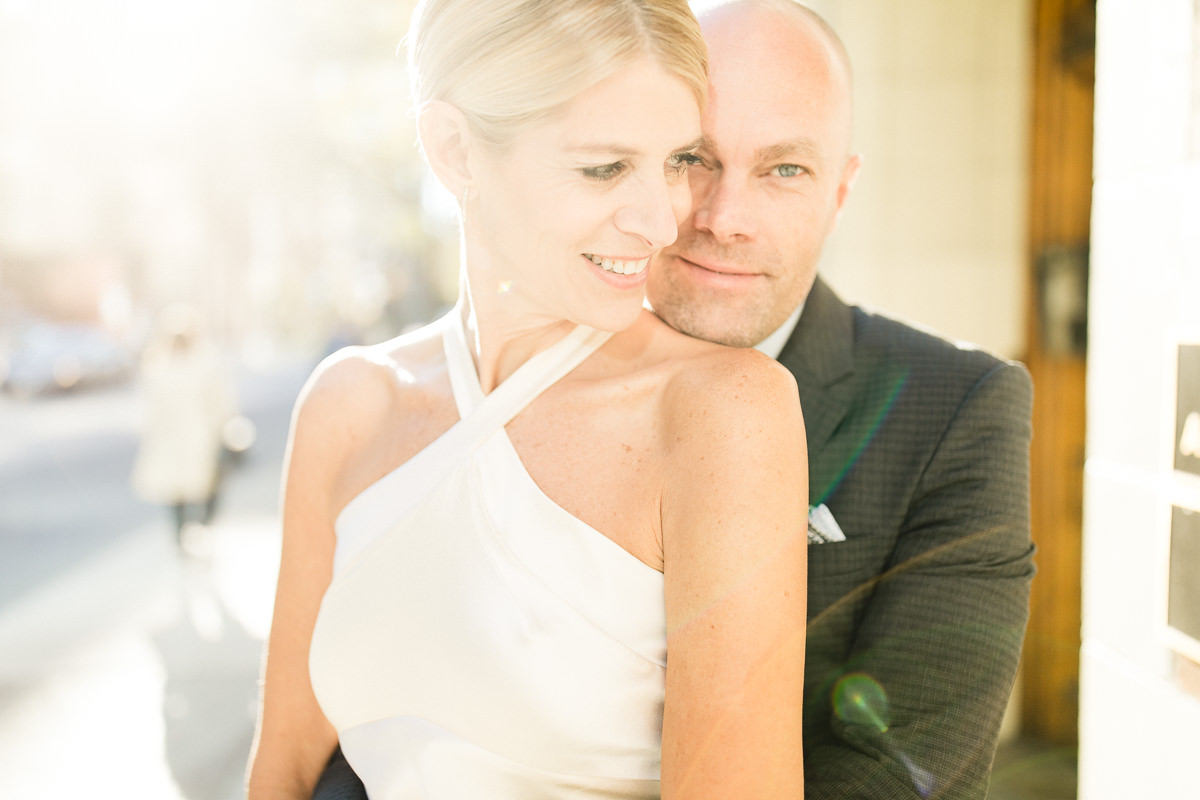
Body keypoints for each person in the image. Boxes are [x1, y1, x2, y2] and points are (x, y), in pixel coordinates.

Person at [313, 1, 1035, 798]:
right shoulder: (453, 384)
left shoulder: (958, 411)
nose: (722, 219)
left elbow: (903, 775)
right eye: (693, 158)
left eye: (785, 169)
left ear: (840, 190)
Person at [246, 1, 809, 798]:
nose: (661, 222)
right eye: (604, 168)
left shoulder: (720, 411)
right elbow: (284, 764)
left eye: (678, 158)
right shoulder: (348, 406)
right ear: (454, 150)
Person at [131, 303, 236, 548]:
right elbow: (222, 405)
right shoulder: (165, 365)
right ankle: (194, 536)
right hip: (189, 440)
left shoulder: (174, 365)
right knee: (194, 491)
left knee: (190, 491)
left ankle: (190, 536)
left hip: (189, 439)